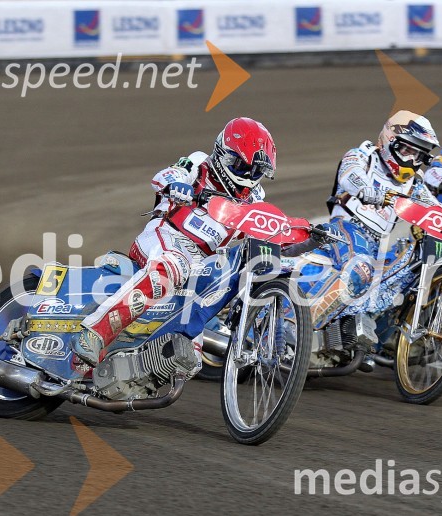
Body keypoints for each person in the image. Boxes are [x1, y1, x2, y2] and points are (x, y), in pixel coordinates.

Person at [72, 117, 331, 367]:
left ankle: (132, 370)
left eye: (255, 171)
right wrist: (177, 185)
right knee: (171, 268)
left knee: (189, 358)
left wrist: (309, 241)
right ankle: (94, 334)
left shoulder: (254, 199)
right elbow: (164, 175)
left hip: (202, 264)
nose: (248, 176)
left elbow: (271, 240)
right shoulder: (198, 164)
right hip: (166, 237)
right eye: (241, 166)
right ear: (223, 154)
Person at [305, 110, 440, 323]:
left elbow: (436, 207)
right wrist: (367, 190)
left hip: (378, 245)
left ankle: (369, 336)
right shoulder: (363, 155)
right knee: (360, 270)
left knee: (406, 277)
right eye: (407, 150)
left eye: (418, 155)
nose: (411, 160)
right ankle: (300, 323)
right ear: (390, 141)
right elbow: (349, 174)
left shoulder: (415, 183)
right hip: (345, 228)